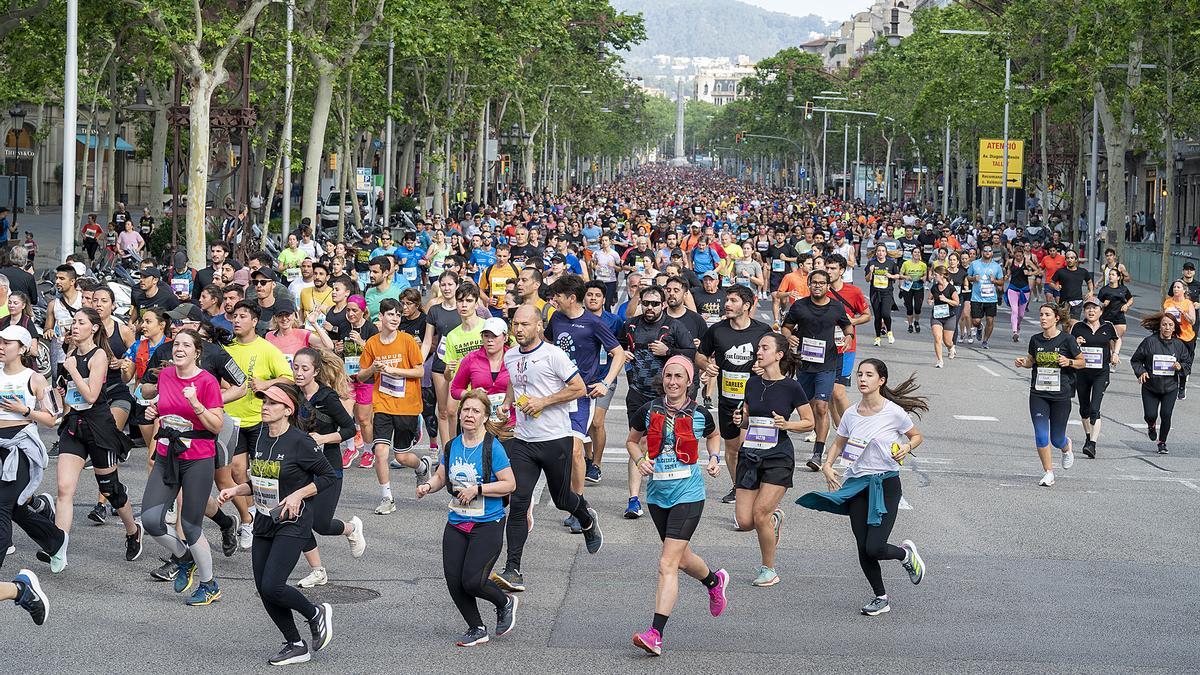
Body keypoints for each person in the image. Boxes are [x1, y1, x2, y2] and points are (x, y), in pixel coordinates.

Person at [797, 358, 927, 617]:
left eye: (869, 375)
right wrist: (827, 464)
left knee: (875, 547)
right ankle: (881, 597)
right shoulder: (851, 413)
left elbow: (916, 436)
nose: (862, 379)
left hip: (885, 484)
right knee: (862, 546)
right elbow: (839, 442)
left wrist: (906, 447)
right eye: (860, 374)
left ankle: (905, 555)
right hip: (857, 484)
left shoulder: (893, 412)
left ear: (882, 380)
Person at [216, 383, 336, 666]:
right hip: (265, 519)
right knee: (263, 587)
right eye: (264, 401)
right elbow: (261, 482)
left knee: (272, 585)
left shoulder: (300, 442)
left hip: (293, 521)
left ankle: (315, 613)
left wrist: (298, 494)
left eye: (272, 402)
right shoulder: (260, 438)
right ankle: (295, 643)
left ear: (287, 409)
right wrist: (236, 490)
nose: (265, 406)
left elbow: (327, 476)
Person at [490, 305, 602, 593]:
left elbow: (578, 388)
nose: (518, 329)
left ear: (539, 326)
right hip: (524, 440)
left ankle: (587, 518)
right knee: (518, 502)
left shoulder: (554, 355)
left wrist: (543, 402)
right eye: (515, 324)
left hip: (555, 438)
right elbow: (517, 384)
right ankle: (513, 569)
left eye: (525, 324)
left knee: (563, 498)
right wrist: (506, 404)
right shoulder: (511, 355)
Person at [624, 356, 728, 657]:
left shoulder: (700, 413)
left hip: (689, 494)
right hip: (658, 496)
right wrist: (640, 460)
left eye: (678, 376)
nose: (672, 381)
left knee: (667, 563)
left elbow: (714, 435)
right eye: (668, 376)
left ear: (689, 381)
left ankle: (655, 633)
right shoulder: (648, 410)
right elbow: (632, 441)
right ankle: (714, 580)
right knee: (681, 559)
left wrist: (713, 457)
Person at [416, 390, 518, 647]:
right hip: (457, 522)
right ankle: (476, 627)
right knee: (454, 582)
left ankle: (504, 602)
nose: (469, 415)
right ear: (459, 413)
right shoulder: (452, 446)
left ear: (485, 417)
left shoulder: (492, 447)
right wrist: (428, 486)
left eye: (475, 411)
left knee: (473, 581)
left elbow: (510, 484)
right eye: (466, 410)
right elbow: (442, 476)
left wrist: (478, 489)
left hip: (488, 523)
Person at [140, 329, 225, 605]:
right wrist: (154, 411)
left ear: (196, 352)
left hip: (198, 458)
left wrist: (196, 404)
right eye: (176, 344)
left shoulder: (207, 381)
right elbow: (164, 408)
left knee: (190, 526)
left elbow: (216, 426)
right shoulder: (165, 376)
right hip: (167, 454)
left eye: (186, 345)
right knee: (151, 521)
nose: (179, 348)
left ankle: (209, 584)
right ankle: (183, 558)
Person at [52, 307, 140, 566]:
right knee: (64, 489)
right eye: (73, 322)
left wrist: (73, 371)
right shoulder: (70, 354)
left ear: (94, 327)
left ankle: (133, 531)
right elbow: (71, 394)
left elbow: (91, 395)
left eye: (81, 322)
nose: (75, 326)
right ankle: (58, 546)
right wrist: (58, 396)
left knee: (110, 489)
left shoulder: (99, 354)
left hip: (99, 426)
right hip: (74, 426)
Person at [730, 333, 814, 587]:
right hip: (750, 454)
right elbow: (749, 418)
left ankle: (769, 569)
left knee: (759, 514)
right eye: (758, 347)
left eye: (764, 348)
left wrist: (787, 424)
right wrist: (740, 421)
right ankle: (774, 519)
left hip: (778, 455)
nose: (759, 351)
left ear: (778, 355)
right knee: (745, 522)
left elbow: (810, 421)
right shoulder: (752, 384)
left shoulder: (791, 387)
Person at [546, 274, 624, 524]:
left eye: (557, 295)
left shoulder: (594, 322)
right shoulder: (556, 318)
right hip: (557, 393)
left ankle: (578, 507)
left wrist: (605, 382)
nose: (553, 299)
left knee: (576, 449)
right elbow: (547, 344)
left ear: (571, 298)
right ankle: (574, 500)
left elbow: (618, 353)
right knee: (561, 451)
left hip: (581, 394)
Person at [0, 324, 68, 600]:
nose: (2, 347)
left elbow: (54, 416)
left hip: (21, 452)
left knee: (3, 506)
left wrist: (24, 410)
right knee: (16, 509)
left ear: (23, 347)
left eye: (8, 343)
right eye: (0, 342)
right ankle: (56, 540)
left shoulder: (35, 379)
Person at [292, 347, 365, 587]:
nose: (299, 373)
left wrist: (322, 439)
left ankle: (352, 528)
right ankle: (317, 570)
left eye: (305, 369)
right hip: (301, 468)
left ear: (315, 371)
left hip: (328, 467)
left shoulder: (327, 397)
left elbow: (349, 430)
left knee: (320, 524)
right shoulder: (294, 394)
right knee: (297, 518)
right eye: (296, 367)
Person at [225, 301, 296, 549]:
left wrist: (267, 385)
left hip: (259, 419)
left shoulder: (266, 348)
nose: (236, 320)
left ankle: (265, 517)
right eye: (234, 316)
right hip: (232, 418)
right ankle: (247, 519)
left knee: (263, 473)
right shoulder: (226, 348)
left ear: (254, 321)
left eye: (242, 316)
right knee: (235, 470)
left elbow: (289, 377)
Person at [356, 298, 433, 515]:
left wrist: (394, 371)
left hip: (407, 405)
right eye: (390, 314)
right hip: (383, 403)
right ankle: (387, 498)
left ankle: (422, 466)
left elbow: (419, 371)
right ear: (380, 317)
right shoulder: (372, 343)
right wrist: (373, 368)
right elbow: (361, 376)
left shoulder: (407, 341)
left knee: (401, 456)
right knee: (380, 450)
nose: (395, 319)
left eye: (398, 315)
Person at [696, 284, 771, 506]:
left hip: (757, 400)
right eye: (726, 300)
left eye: (733, 301)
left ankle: (755, 487)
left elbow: (779, 358)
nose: (726, 304)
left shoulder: (762, 331)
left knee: (753, 448)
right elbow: (699, 355)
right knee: (732, 448)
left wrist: (764, 367)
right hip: (728, 399)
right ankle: (739, 487)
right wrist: (706, 366)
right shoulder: (717, 330)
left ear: (746, 306)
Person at [781, 269, 851, 472]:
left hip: (827, 365)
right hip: (803, 365)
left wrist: (848, 338)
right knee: (791, 405)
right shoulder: (800, 306)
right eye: (814, 283)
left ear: (828, 286)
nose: (818, 286)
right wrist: (788, 337)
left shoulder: (836, 308)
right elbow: (786, 327)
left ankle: (817, 453)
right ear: (809, 284)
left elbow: (847, 327)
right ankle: (775, 443)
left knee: (821, 406)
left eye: (822, 283)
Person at [1013, 304, 1085, 486]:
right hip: (1039, 394)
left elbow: (1081, 362)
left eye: (1047, 315)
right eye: (1041, 315)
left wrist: (1068, 361)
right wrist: (1024, 362)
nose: (1043, 318)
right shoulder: (1035, 340)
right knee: (1041, 435)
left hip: (1061, 395)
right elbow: (1031, 360)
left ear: (1056, 318)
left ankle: (1066, 446)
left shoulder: (1067, 340)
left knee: (1056, 438)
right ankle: (1048, 472)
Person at [1130, 312, 1192, 454]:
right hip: (1151, 386)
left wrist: (1180, 367)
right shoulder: (1149, 342)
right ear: (1159, 326)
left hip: (1170, 387)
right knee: (1150, 415)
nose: (1167, 328)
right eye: (1164, 324)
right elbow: (1136, 360)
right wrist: (1141, 372)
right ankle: (1151, 425)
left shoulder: (1179, 345)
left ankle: (1162, 442)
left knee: (1166, 414)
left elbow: (1187, 364)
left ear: (1174, 327)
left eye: (1170, 325)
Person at [1071, 297, 1120, 459]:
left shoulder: (1108, 327)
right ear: (1084, 312)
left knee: (1094, 409)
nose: (1091, 311)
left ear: (1101, 311)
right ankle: (1087, 436)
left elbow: (1117, 340)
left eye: (1094, 308)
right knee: (1084, 409)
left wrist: (1115, 354)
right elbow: (1069, 346)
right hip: (1082, 372)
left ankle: (1092, 444)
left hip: (1101, 373)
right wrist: (1076, 342)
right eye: (1088, 309)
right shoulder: (1078, 327)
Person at [1162, 279, 1196, 399]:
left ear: (1184, 290)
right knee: (1171, 360)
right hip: (1173, 336)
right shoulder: (1168, 302)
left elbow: (1193, 321)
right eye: (1174, 287)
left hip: (1186, 336)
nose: (1176, 289)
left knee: (1183, 362)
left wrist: (1184, 313)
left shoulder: (1188, 303)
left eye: (1178, 287)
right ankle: (1169, 386)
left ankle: (1182, 385)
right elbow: (1163, 318)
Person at [966, 245, 1005, 349]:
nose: (987, 252)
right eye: (985, 250)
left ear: (992, 253)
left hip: (991, 298)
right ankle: (979, 328)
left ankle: (985, 340)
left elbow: (1001, 281)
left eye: (989, 251)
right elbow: (968, 277)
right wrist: (974, 278)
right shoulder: (974, 264)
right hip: (977, 297)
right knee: (976, 321)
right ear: (982, 252)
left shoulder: (996, 266)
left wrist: (995, 281)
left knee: (990, 320)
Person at [864, 244, 900, 346]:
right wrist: (870, 272)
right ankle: (877, 337)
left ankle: (889, 331)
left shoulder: (891, 263)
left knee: (886, 314)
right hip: (875, 293)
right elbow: (867, 280)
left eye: (883, 251)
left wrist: (891, 276)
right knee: (878, 316)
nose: (881, 253)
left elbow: (897, 275)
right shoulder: (871, 263)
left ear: (886, 253)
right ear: (876, 252)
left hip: (887, 293)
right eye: (879, 251)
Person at [928, 265, 960, 368]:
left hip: (949, 316)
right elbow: (929, 298)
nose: (934, 276)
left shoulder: (951, 288)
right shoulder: (934, 287)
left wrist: (946, 300)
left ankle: (951, 348)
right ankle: (940, 360)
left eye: (936, 275)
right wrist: (930, 301)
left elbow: (956, 302)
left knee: (947, 341)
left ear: (942, 275)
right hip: (937, 316)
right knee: (937, 338)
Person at [1005, 245, 1038, 342]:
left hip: (1024, 289)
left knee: (1021, 314)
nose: (1018, 258)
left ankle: (1018, 325)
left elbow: (1037, 270)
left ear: (1023, 255)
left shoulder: (1027, 261)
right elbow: (1008, 272)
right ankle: (1015, 331)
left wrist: (1029, 273)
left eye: (1020, 256)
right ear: (1014, 255)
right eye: (1017, 256)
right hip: (1013, 288)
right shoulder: (1010, 262)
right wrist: (1006, 276)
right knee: (1014, 310)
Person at [1050, 250, 1092, 323]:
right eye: (1068, 258)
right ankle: (1066, 334)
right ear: (1065, 260)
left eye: (1072, 258)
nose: (1069, 260)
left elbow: (1089, 282)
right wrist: (1056, 287)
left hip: (1077, 301)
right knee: (1065, 324)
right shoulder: (1060, 271)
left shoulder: (1083, 271)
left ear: (1076, 260)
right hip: (1064, 301)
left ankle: (1072, 334)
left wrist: (1091, 291)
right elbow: (1051, 282)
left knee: (1073, 323)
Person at [1096, 267, 1134, 346]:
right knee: (1109, 340)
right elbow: (1097, 304)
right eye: (1109, 274)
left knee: (1117, 338)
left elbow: (1130, 299)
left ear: (1118, 277)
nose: (1110, 276)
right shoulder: (1104, 290)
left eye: (1113, 275)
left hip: (1119, 318)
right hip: (1106, 318)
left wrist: (1126, 305)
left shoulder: (1123, 289)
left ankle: (1115, 355)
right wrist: (1103, 304)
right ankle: (1112, 355)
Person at [898, 253, 927, 334]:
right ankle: (910, 325)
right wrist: (904, 279)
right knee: (909, 307)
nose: (917, 254)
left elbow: (925, 275)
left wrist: (923, 278)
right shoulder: (906, 263)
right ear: (912, 254)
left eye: (918, 252)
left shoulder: (923, 265)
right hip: (908, 287)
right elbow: (900, 274)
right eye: (915, 252)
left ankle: (916, 322)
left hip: (919, 287)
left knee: (918, 307)